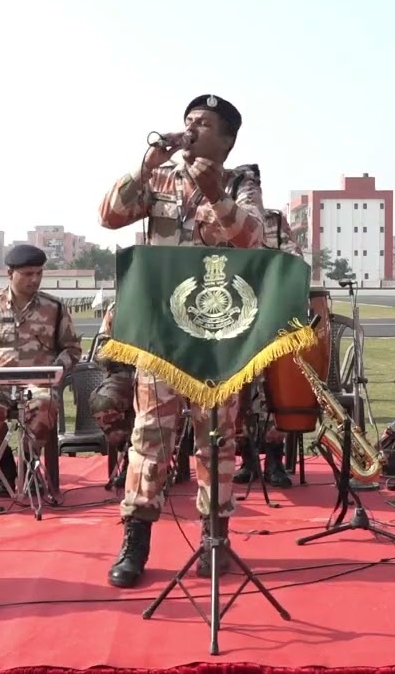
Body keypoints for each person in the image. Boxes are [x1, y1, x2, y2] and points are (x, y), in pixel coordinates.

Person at [98, 93, 266, 588]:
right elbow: (109, 214)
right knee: (149, 437)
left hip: (219, 339)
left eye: (205, 123)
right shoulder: (162, 178)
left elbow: (252, 239)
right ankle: (136, 542)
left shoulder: (241, 182)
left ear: (228, 139)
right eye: (188, 121)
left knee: (217, 442)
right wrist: (148, 161)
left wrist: (218, 195)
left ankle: (215, 539)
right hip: (163, 336)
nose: (192, 128)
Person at [0, 244, 82, 496]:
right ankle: (5, 468)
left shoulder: (54, 308)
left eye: (39, 273)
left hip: (38, 385)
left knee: (45, 405)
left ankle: (29, 465)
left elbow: (73, 349)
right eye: (27, 274)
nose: (34, 279)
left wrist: (58, 367)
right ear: (10, 274)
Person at [234, 206, 302, 488]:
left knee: (273, 393)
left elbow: (295, 261)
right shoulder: (219, 218)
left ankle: (274, 461)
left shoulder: (272, 221)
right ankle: (248, 461)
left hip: (271, 321)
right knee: (240, 393)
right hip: (236, 323)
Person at [89, 301, 135, 491]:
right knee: (102, 402)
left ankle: (150, 463)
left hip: (163, 375)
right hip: (124, 375)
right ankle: (131, 456)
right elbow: (100, 355)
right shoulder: (117, 307)